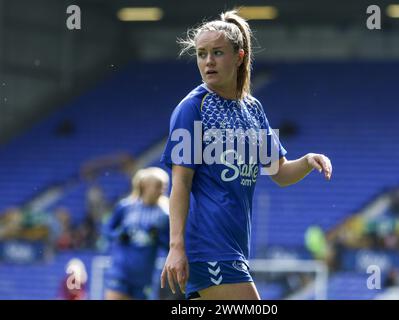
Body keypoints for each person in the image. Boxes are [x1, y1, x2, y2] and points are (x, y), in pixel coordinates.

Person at [159, 10, 333, 300]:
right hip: (209, 247)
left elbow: (280, 173)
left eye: (217, 52)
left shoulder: (253, 109)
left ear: (239, 57)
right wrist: (176, 247)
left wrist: (306, 162)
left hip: (236, 247)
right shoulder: (192, 108)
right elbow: (181, 183)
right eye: (201, 54)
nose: (208, 61)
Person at [103, 167, 170, 300]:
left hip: (144, 277)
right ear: (145, 185)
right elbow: (106, 230)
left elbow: (170, 245)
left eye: (164, 187)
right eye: (158, 186)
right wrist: (119, 235)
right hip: (121, 273)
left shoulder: (165, 214)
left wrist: (158, 236)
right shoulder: (125, 207)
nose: (162, 190)